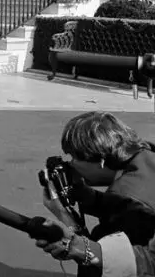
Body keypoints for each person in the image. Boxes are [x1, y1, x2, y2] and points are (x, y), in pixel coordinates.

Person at [32, 112, 155, 275]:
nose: (72, 164)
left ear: (102, 160)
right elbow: (119, 205)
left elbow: (104, 264)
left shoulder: (132, 204)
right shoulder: (145, 155)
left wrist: (64, 215)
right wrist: (86, 195)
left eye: (75, 158)